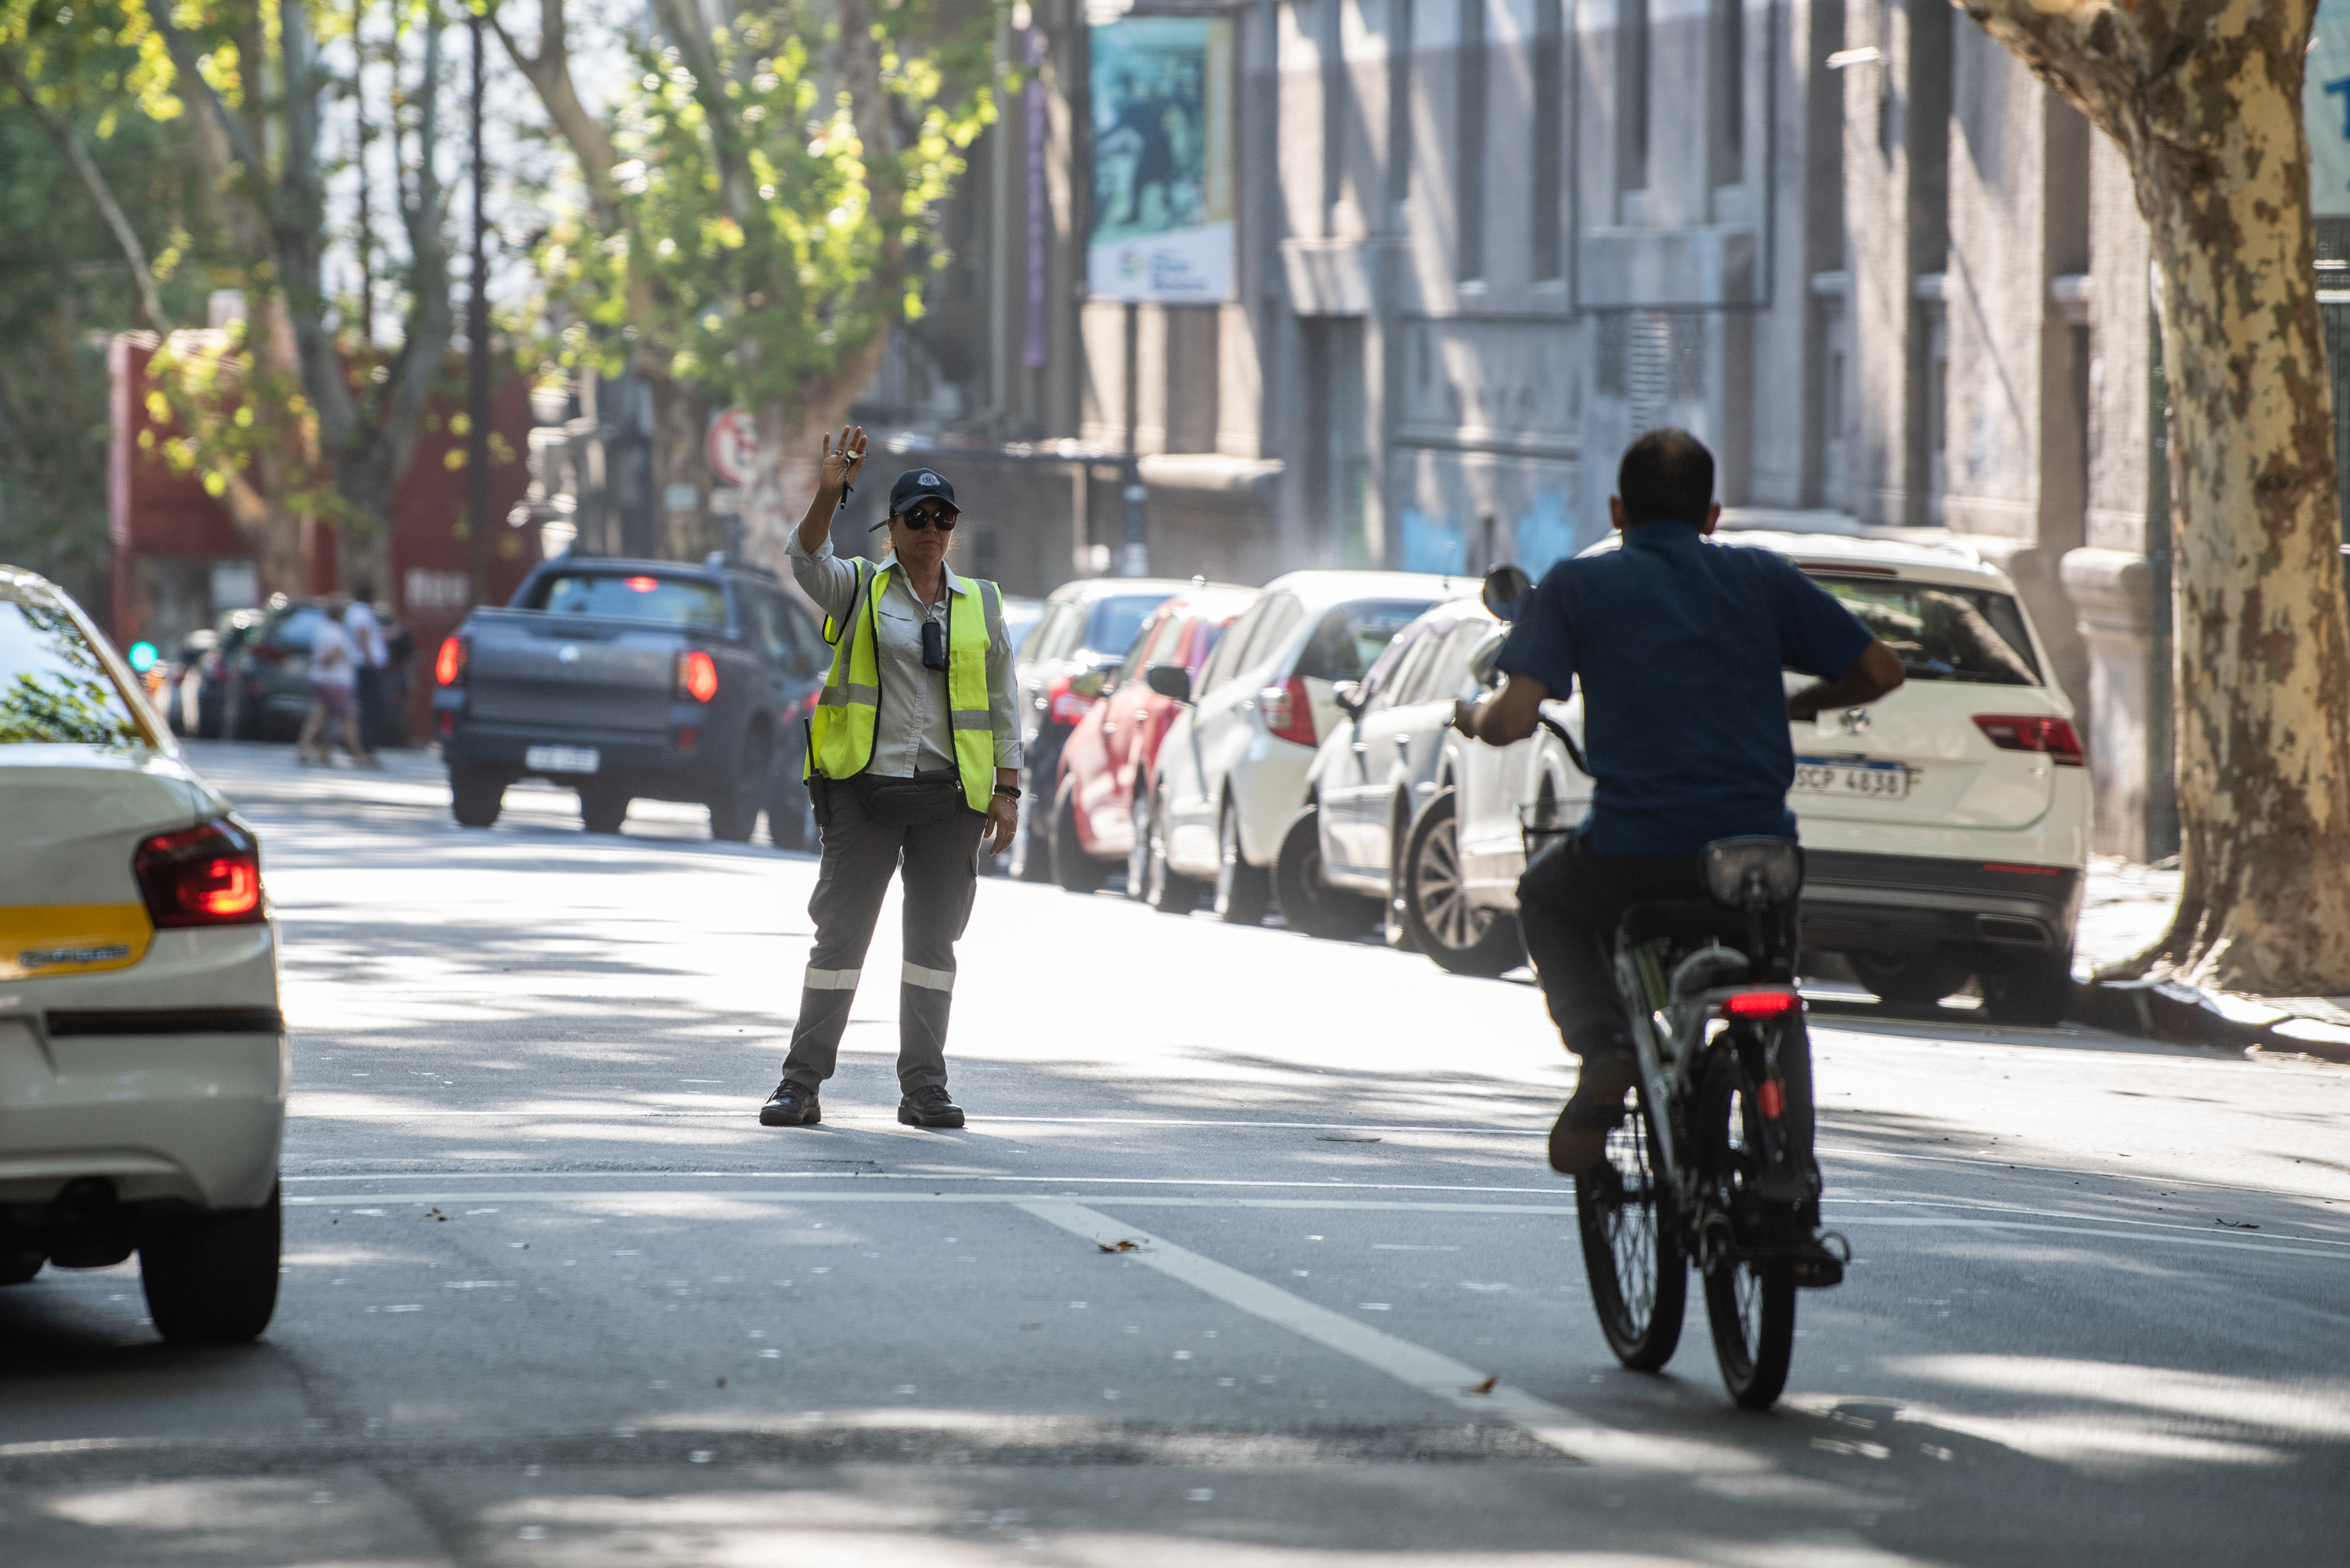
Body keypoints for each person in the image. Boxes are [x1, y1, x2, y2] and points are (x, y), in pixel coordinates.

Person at [1452, 428, 1904, 1179]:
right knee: (1773, 986)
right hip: (1758, 858)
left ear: (1617, 510)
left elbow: (1511, 719)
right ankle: (1790, 1174)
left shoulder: (1579, 584)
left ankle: (1606, 1048)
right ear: (1713, 515)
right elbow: (1881, 669)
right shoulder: (1761, 578)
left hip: (1637, 854)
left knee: (1546, 894)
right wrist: (1805, 704)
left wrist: (1469, 715)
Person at [758, 428, 1022, 1132]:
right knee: (840, 944)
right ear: (892, 529)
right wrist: (828, 491)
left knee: (933, 951)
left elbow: (1003, 701)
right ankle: (800, 1084)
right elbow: (806, 556)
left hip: (950, 800)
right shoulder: (860, 591)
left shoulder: (982, 603)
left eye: (944, 518)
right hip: (864, 792)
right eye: (917, 517)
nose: (932, 529)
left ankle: (924, 1090)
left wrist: (1008, 789)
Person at [295, 600, 377, 768]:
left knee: (319, 717)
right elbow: (333, 652)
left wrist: (316, 664)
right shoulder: (336, 633)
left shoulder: (323, 630)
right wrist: (327, 661)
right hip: (336, 681)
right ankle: (358, 754)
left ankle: (305, 749)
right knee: (348, 718)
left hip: (322, 680)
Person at [345, 580, 390, 750]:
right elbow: (362, 637)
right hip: (366, 666)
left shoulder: (363, 612)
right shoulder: (360, 613)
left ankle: (365, 745)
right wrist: (370, 659)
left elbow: (373, 636)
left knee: (370, 706)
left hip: (367, 665)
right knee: (370, 706)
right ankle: (365, 745)